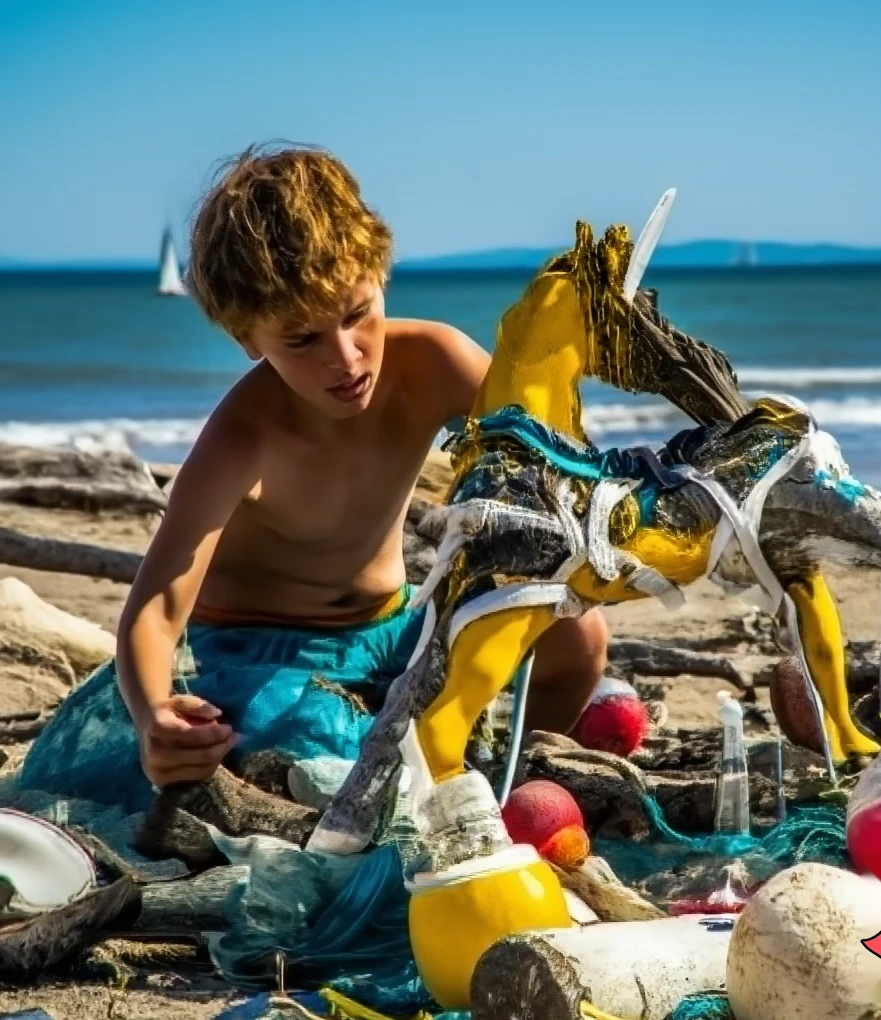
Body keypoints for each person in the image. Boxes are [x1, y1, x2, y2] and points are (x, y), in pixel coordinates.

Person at [19, 144, 607, 811]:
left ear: (381, 275)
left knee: (578, 639)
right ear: (248, 339)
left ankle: (507, 787)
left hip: (395, 629)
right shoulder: (243, 438)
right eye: (301, 341)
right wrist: (156, 712)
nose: (346, 356)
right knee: (315, 744)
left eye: (358, 314)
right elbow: (154, 610)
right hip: (266, 658)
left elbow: (554, 453)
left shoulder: (437, 362)